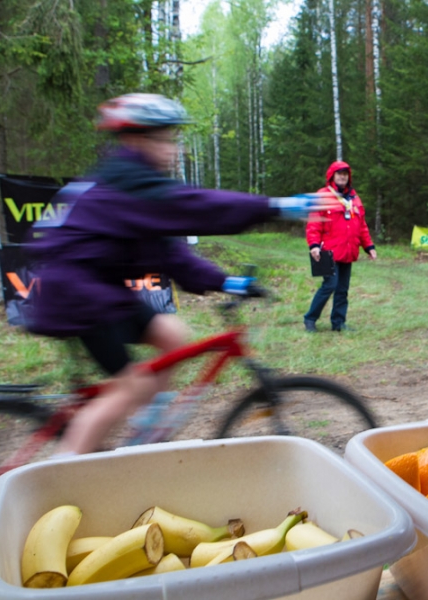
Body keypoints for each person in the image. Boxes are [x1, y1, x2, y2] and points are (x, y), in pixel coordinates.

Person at [27, 93, 335, 456]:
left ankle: (143, 433)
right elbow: (196, 206)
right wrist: (273, 206)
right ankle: (61, 474)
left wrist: (227, 282)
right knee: (132, 386)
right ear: (137, 139)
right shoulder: (126, 181)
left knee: (173, 334)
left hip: (96, 289)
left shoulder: (133, 186)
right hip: (74, 294)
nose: (174, 148)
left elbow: (169, 254)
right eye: (166, 138)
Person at [303, 160, 377, 332]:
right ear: (332, 176)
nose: (343, 177)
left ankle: (338, 323)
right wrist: (313, 245)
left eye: (345, 174)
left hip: (348, 250)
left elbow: (362, 226)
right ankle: (310, 319)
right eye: (339, 174)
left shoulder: (354, 198)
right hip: (326, 251)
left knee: (342, 289)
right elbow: (314, 223)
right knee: (330, 285)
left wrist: (369, 247)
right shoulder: (322, 196)